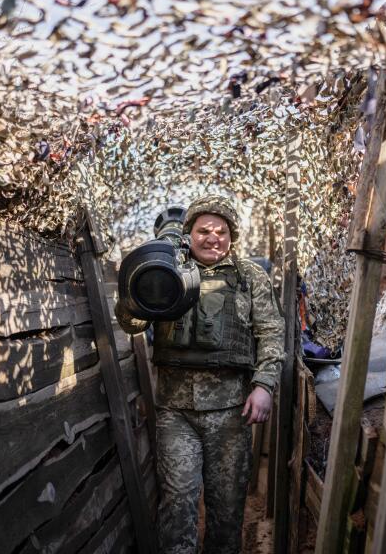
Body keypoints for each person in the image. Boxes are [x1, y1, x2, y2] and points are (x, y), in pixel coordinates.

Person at [115, 195, 285, 554]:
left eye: (221, 231)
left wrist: (264, 384)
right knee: (177, 505)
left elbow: (271, 333)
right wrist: (135, 291)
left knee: (226, 510)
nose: (213, 238)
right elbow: (133, 323)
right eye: (204, 230)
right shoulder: (168, 271)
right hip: (175, 413)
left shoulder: (249, 276)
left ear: (231, 236)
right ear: (189, 233)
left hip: (231, 413)